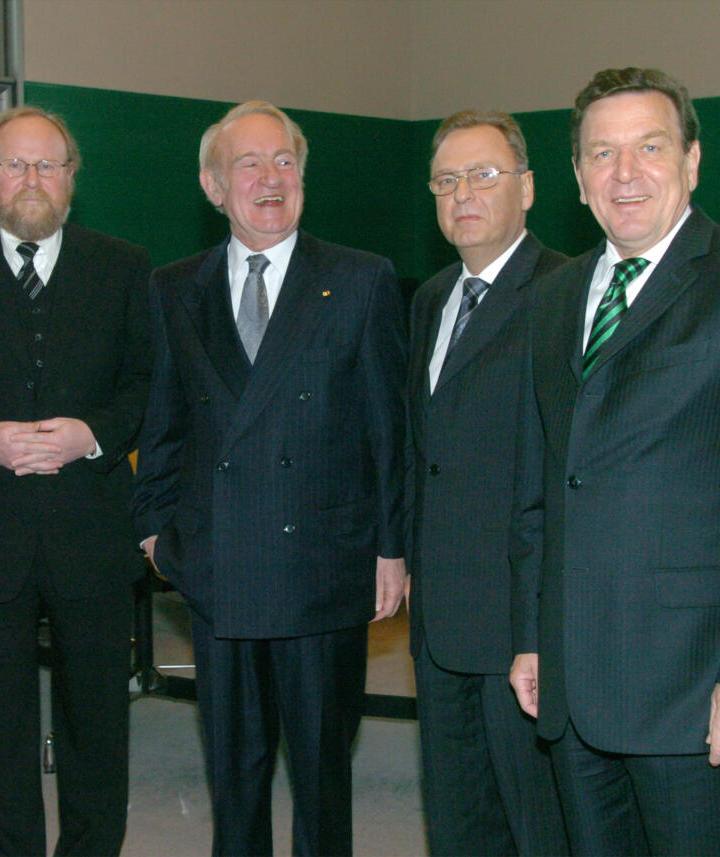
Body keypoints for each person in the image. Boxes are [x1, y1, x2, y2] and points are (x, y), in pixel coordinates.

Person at [508, 67, 720, 855]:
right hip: (575, 689)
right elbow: (543, 483)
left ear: (692, 160)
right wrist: (532, 633)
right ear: (579, 177)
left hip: (701, 691)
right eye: (602, 154)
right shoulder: (554, 299)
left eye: (649, 148)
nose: (626, 174)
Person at [133, 100, 407, 857]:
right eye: (248, 163)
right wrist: (156, 534)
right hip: (218, 568)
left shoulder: (360, 279)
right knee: (235, 772)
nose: (270, 177)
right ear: (213, 185)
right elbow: (162, 423)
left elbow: (390, 429)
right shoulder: (172, 287)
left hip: (324, 564)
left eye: (285, 160)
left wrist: (391, 548)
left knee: (323, 775)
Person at [0, 105, 151, 857]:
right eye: (14, 164)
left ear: (74, 176)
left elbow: (147, 384)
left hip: (93, 535)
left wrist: (93, 433)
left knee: (98, 726)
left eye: (48, 164)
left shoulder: (124, 265)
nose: (31, 179)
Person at [407, 110, 568, 857]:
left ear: (528, 188)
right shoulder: (432, 297)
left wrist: (540, 627)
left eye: (484, 175)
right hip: (441, 620)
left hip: (522, 626)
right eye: (447, 180)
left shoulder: (566, 293)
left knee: (536, 829)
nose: (462, 194)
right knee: (458, 825)